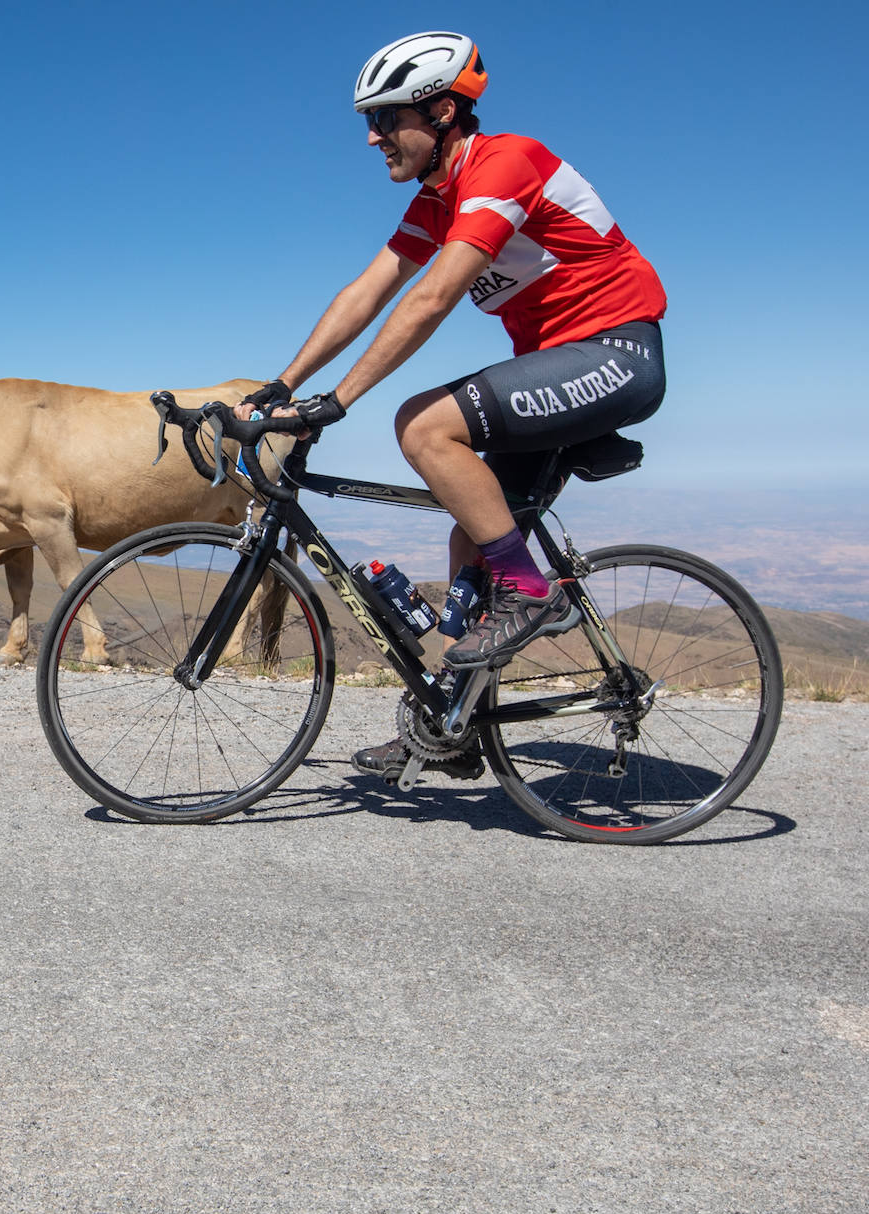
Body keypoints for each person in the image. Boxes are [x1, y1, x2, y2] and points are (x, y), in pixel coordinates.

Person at [238, 31, 667, 782]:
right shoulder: (435, 202)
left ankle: (533, 592)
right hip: (554, 364)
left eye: (385, 119)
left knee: (422, 424)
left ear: (441, 111)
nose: (372, 137)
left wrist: (336, 402)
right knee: (471, 537)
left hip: (615, 353)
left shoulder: (505, 163)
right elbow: (368, 292)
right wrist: (283, 384)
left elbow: (432, 298)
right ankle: (453, 723)